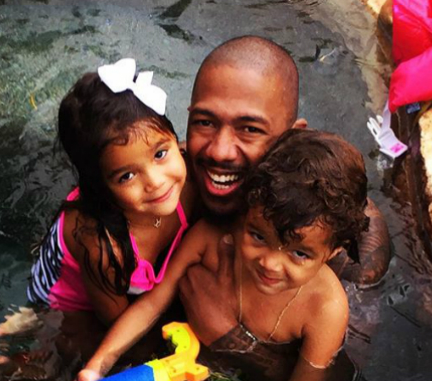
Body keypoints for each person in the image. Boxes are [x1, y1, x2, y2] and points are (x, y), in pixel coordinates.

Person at [78, 128, 368, 381]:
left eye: (300, 254)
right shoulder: (209, 240)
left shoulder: (325, 308)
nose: (270, 263)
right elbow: (151, 305)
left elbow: (309, 377)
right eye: (257, 236)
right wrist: (97, 365)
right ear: (246, 213)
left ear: (332, 251)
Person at [179, 35, 390, 348]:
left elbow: (343, 365)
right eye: (205, 122)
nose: (219, 151)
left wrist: (233, 342)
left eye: (249, 129)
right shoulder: (167, 181)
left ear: (292, 137)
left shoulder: (349, 237)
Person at [23, 58, 196, 326]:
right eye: (127, 176)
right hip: (65, 306)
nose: (156, 182)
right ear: (101, 186)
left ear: (175, 140)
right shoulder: (104, 248)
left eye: (160, 154)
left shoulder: (191, 174)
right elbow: (117, 326)